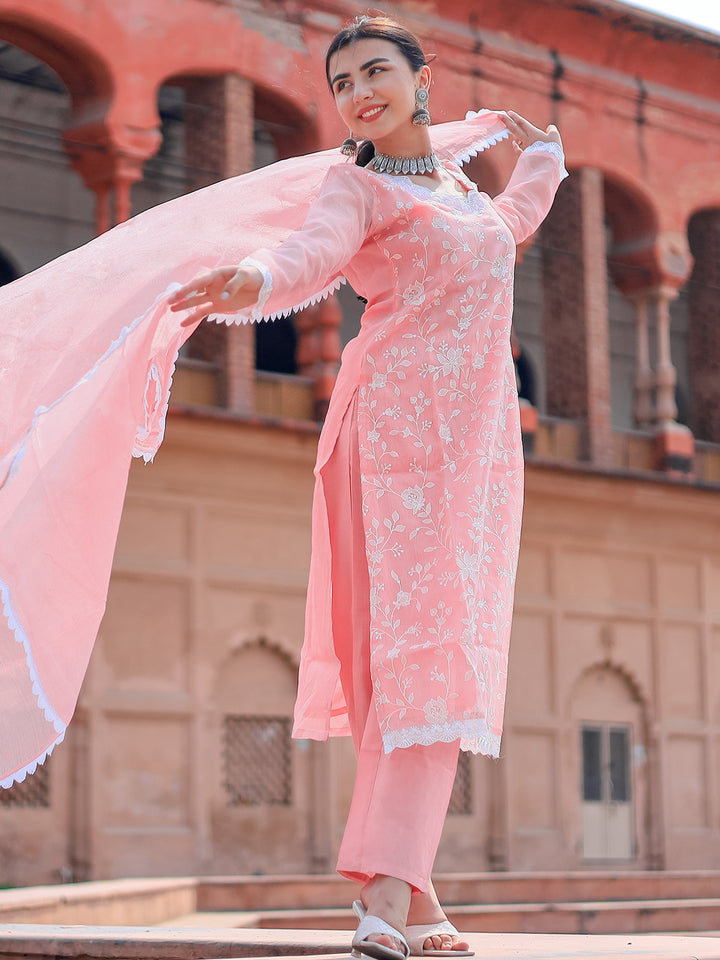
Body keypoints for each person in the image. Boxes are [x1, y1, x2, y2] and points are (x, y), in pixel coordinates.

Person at [168, 15, 567, 960]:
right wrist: (255, 279)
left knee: (436, 665)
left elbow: (508, 231)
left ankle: (416, 900)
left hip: (471, 456)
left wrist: (544, 154)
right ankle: (386, 891)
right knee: (418, 668)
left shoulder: (463, 193)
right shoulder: (356, 185)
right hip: (388, 444)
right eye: (343, 82)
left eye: (376, 71)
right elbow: (311, 252)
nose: (358, 93)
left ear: (421, 79)